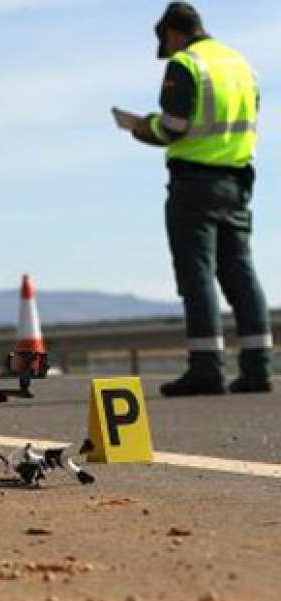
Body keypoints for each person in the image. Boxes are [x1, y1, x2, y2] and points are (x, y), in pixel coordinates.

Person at [126, 2, 272, 396]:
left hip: (194, 183)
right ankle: (258, 368)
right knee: (241, 271)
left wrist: (141, 128)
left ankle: (207, 368)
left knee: (197, 274)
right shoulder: (240, 65)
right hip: (238, 180)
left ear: (173, 33)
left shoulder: (187, 64)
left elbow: (173, 127)